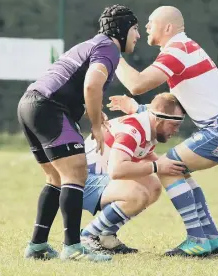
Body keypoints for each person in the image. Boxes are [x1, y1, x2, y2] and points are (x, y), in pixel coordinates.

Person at [114, 6, 218, 257]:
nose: (146, 27)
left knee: (166, 168)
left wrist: (112, 55)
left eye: (151, 22)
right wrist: (138, 108)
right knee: (180, 170)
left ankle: (198, 238)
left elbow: (137, 84)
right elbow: (181, 103)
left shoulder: (177, 50)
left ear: (168, 28)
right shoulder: (184, 48)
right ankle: (211, 237)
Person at [18, 4, 139, 262]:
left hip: (30, 104)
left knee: (56, 178)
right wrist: (95, 125)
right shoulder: (109, 48)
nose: (137, 36)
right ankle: (73, 248)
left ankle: (37, 246)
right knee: (76, 172)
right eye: (135, 29)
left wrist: (92, 113)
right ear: (122, 30)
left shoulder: (92, 44)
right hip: (49, 107)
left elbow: (74, 84)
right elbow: (92, 85)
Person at [80, 93, 186, 254]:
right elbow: (117, 170)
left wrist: (169, 167)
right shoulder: (133, 130)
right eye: (173, 125)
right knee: (136, 194)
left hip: (95, 179)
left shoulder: (148, 128)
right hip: (81, 183)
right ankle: (87, 235)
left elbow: (147, 158)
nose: (176, 130)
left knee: (153, 186)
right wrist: (157, 166)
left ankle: (106, 236)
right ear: (158, 119)